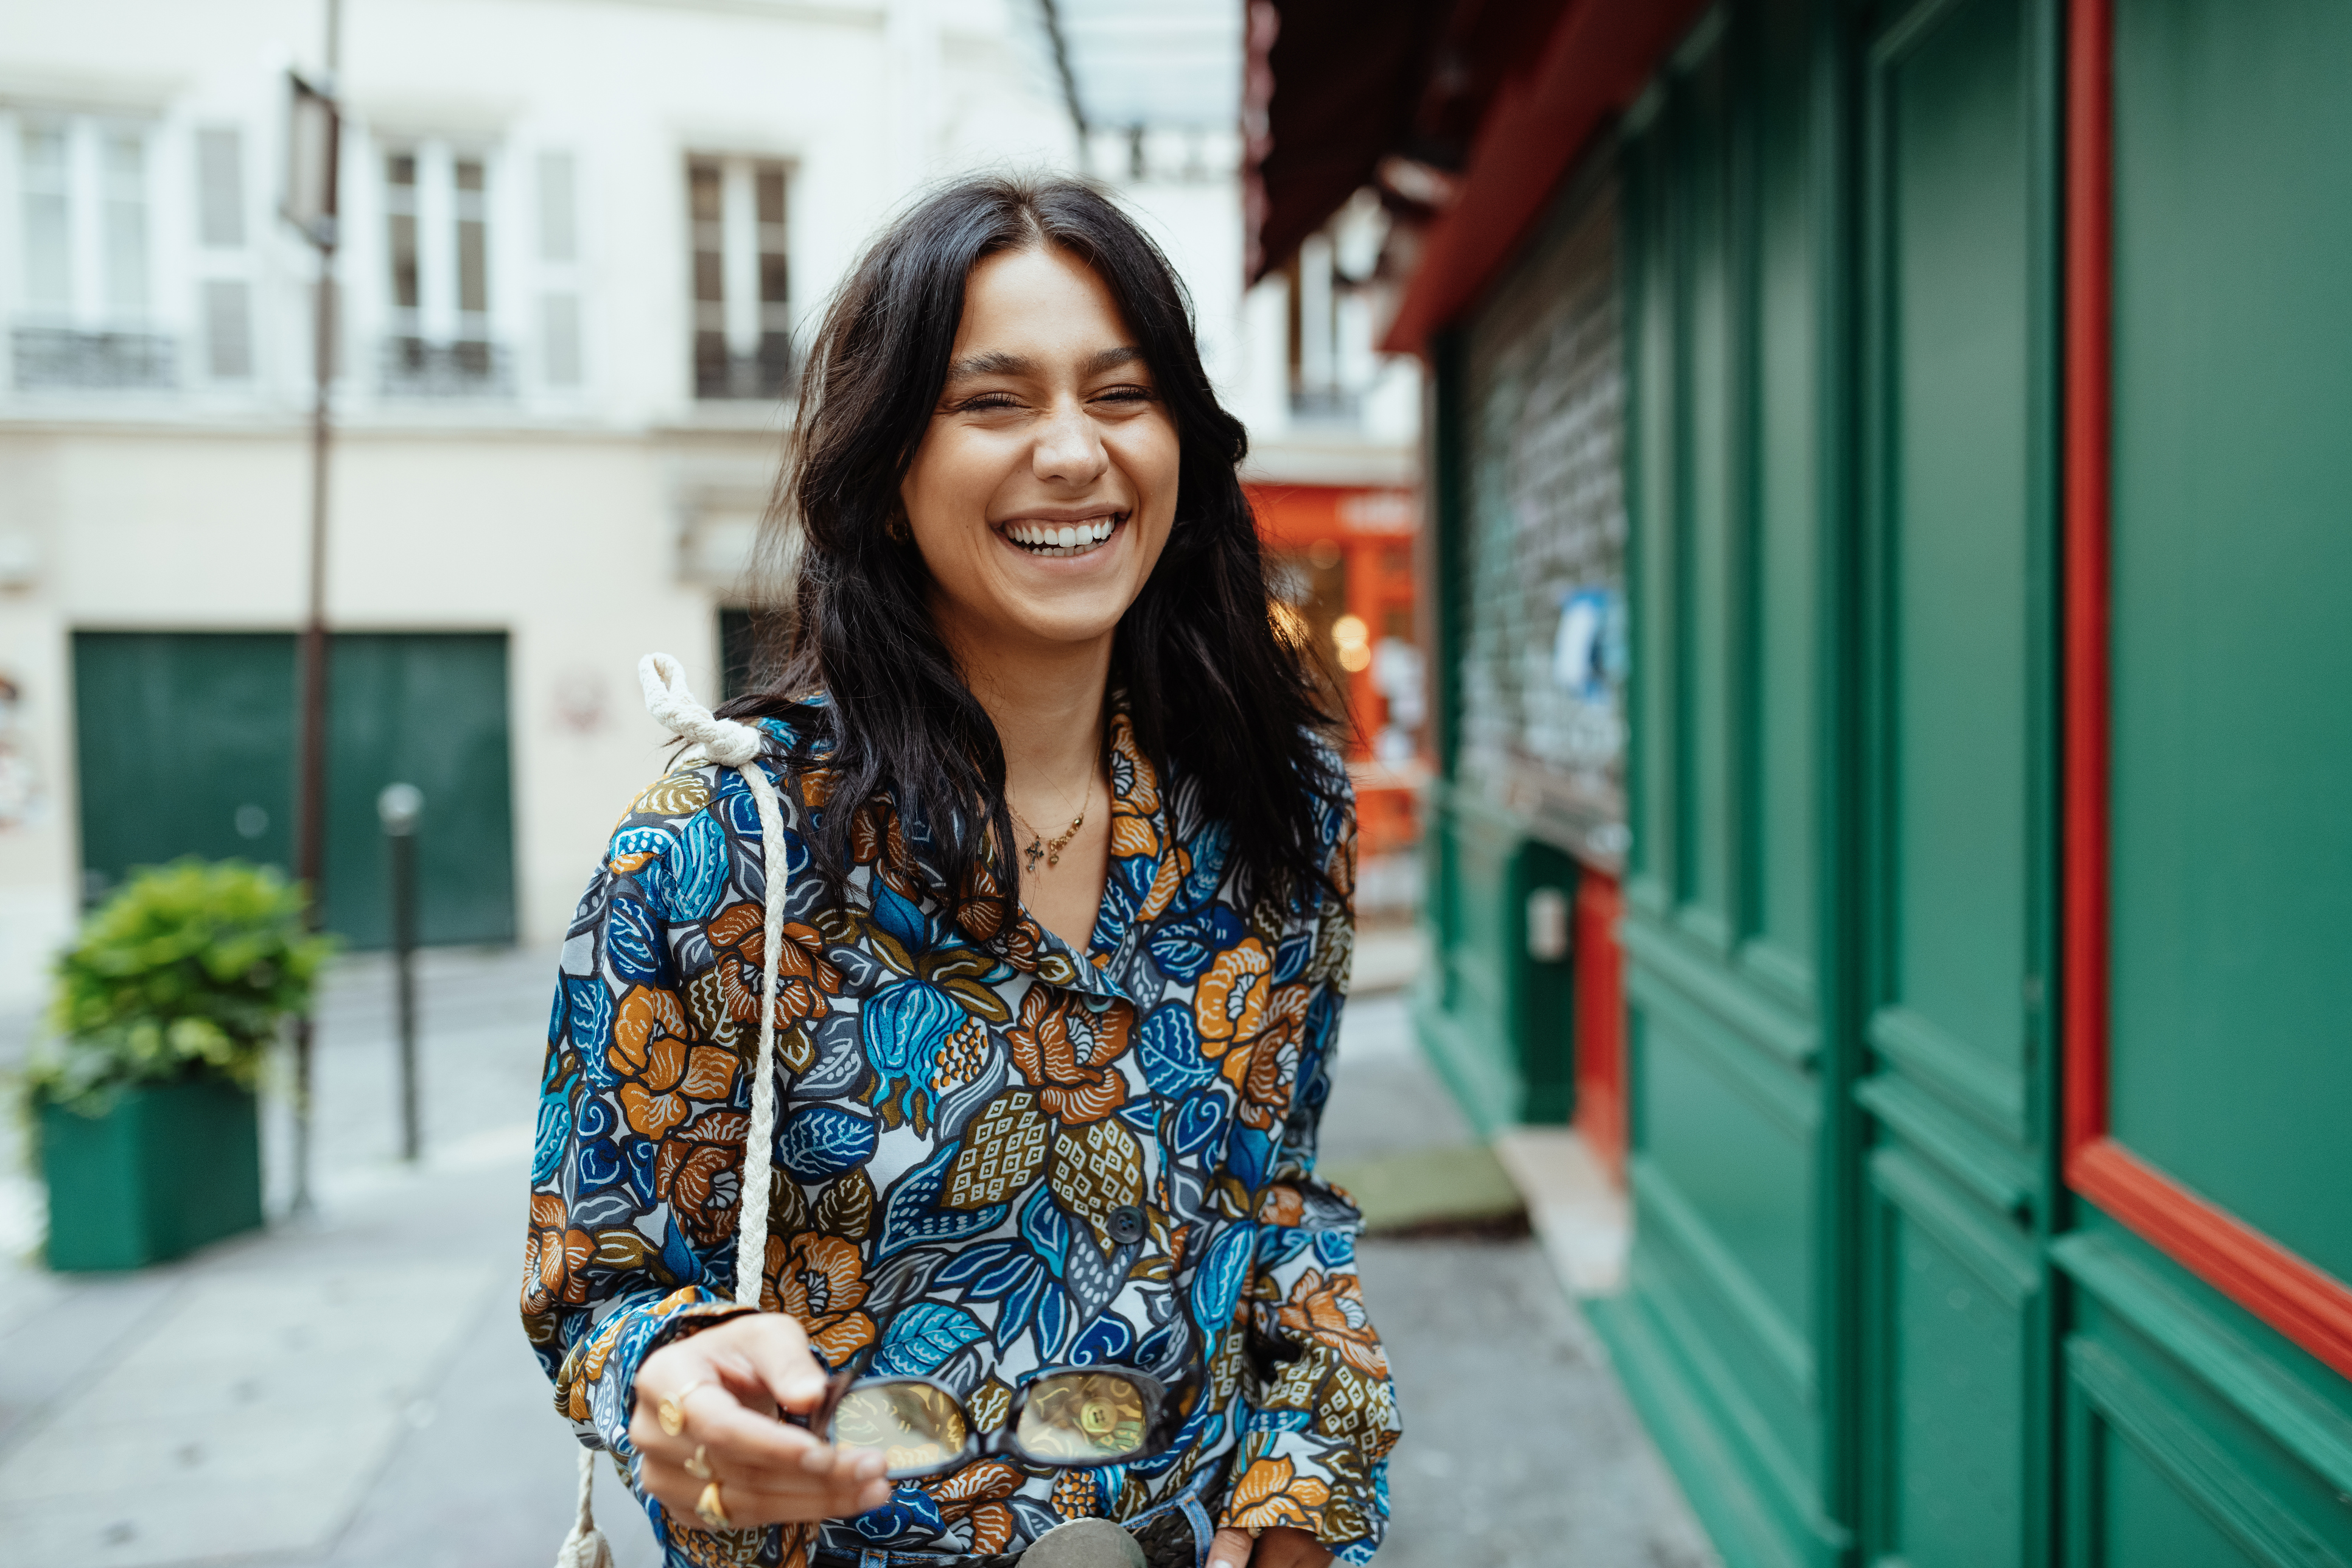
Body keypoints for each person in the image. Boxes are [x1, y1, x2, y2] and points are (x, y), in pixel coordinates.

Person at [523, 174, 1398, 1568]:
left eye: (1121, 394)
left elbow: (1279, 1208)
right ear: (884, 478)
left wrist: (1300, 1499)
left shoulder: (1274, 807)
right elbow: (592, 1287)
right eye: (993, 402)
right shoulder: (711, 850)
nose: (1072, 452)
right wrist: (672, 1391)